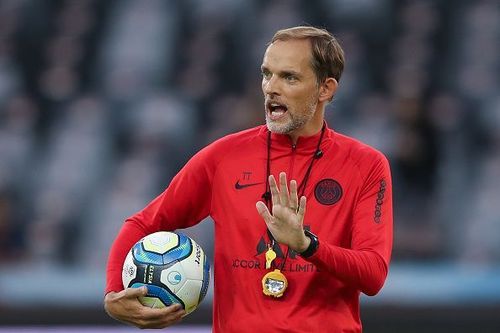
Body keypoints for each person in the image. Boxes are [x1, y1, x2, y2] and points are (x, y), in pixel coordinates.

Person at [104, 26, 393, 333]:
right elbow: (142, 223)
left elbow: (373, 274)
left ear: (326, 89)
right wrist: (112, 293)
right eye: (267, 74)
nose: (271, 87)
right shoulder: (223, 158)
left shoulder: (366, 165)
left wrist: (307, 245)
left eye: (289, 77)